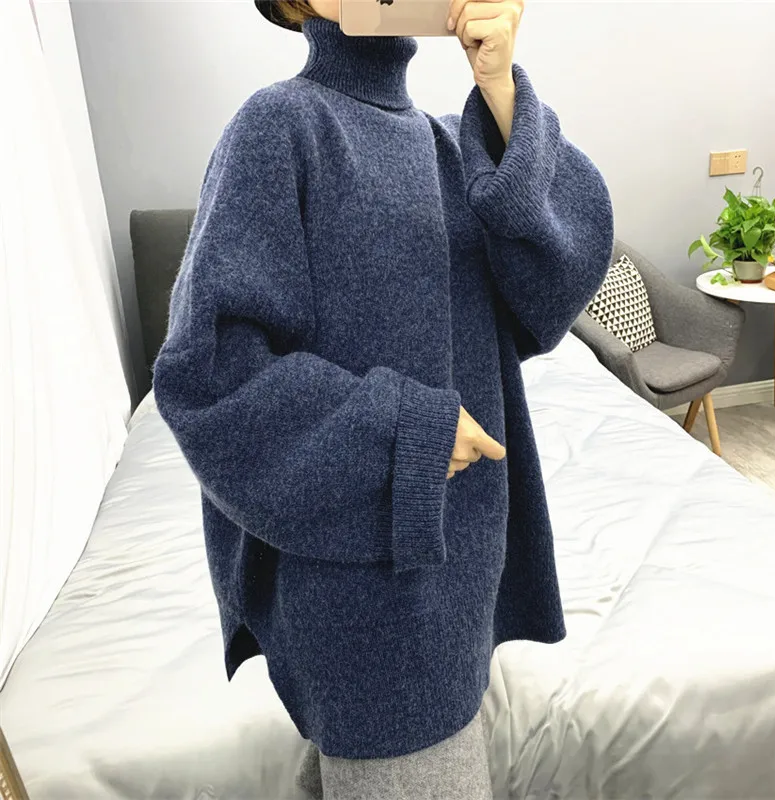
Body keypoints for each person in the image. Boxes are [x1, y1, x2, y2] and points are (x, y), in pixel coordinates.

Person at [152, 0, 614, 795]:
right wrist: (410, 432)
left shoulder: (449, 145)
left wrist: (500, 89)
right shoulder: (280, 126)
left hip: (460, 572)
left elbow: (553, 292)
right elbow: (210, 378)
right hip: (368, 596)